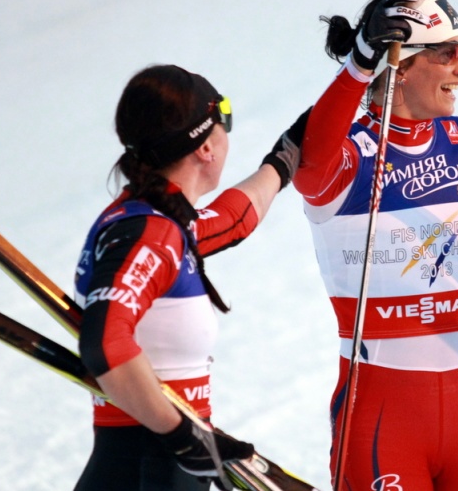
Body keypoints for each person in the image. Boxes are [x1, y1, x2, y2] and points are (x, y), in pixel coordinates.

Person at [292, 0, 458, 490]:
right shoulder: (346, 154)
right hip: (382, 420)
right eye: (448, 53)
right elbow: (310, 168)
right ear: (402, 64)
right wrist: (358, 67)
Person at [74, 64, 305, 490]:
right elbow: (103, 342)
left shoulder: (154, 222)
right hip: (149, 469)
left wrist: (285, 158)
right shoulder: (149, 233)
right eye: (226, 118)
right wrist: (183, 435)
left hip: (150, 466)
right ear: (205, 147)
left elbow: (233, 219)